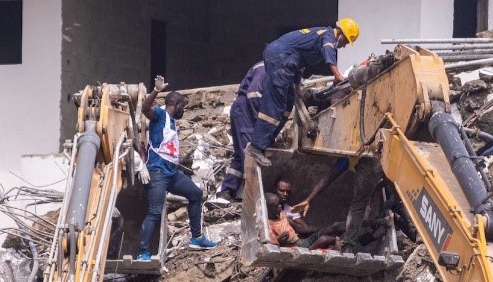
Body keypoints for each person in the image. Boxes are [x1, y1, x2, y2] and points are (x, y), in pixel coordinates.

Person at [246, 18, 360, 168]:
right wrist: (338, 76)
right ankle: (256, 146)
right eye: (345, 42)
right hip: (281, 57)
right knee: (275, 104)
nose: (343, 46)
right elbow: (329, 55)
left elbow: (300, 63)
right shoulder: (328, 36)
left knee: (288, 103)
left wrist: (297, 86)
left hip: (287, 60)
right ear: (341, 34)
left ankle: (267, 141)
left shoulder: (319, 37)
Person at [136, 75, 217, 261]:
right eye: (183, 106)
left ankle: (197, 238)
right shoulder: (160, 115)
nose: (184, 110)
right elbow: (145, 108)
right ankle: (144, 253)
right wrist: (156, 90)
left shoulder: (171, 122)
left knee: (196, 194)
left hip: (171, 173)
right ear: (175, 103)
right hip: (157, 172)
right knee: (154, 211)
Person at [292, 155, 383, 254]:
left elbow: (328, 178)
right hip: (383, 164)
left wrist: (309, 200)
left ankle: (348, 245)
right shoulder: (350, 159)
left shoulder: (349, 158)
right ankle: (356, 241)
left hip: (375, 164)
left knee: (357, 207)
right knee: (342, 225)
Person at [217, 62, 266, 202]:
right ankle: (253, 195)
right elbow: (254, 95)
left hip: (245, 109)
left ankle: (228, 189)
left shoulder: (270, 68)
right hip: (246, 110)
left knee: (241, 154)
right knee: (249, 152)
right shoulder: (264, 68)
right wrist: (261, 122)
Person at [265, 193, 338, 250]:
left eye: (279, 203)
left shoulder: (282, 215)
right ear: (268, 209)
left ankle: (341, 241)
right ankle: (342, 243)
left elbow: (298, 228)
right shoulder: (269, 225)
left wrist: (321, 229)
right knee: (324, 239)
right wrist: (281, 242)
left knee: (326, 231)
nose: (280, 206)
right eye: (276, 206)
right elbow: (274, 248)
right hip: (295, 249)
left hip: (302, 242)